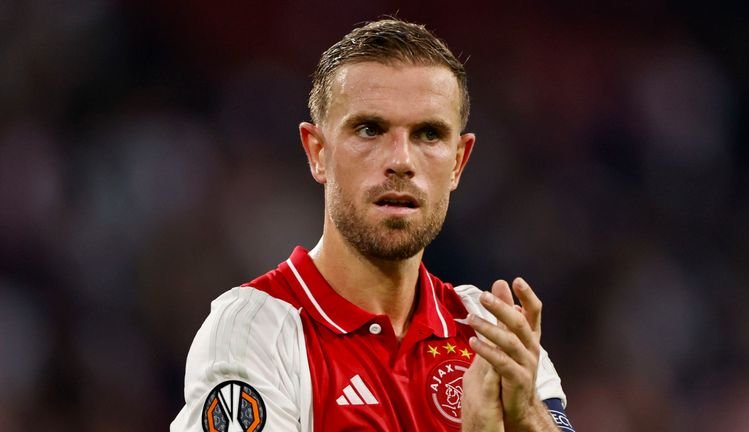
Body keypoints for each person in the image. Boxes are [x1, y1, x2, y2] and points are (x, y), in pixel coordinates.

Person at [171, 18, 574, 432]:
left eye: (428, 134)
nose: (400, 160)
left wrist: (528, 419)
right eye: (370, 129)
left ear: (458, 162)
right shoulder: (255, 333)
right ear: (317, 152)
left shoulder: (493, 335)